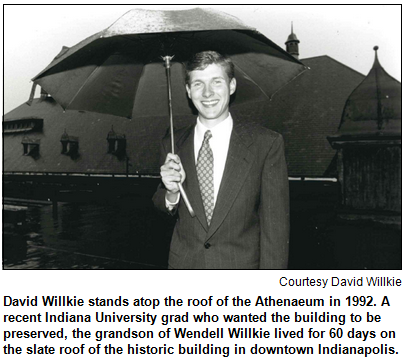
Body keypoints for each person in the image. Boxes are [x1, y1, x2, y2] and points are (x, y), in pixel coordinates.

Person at [153, 51, 289, 269]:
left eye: (216, 82)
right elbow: (162, 207)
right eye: (198, 84)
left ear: (232, 86)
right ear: (188, 91)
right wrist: (171, 192)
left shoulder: (266, 144)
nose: (207, 93)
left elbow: (276, 230)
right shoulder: (171, 144)